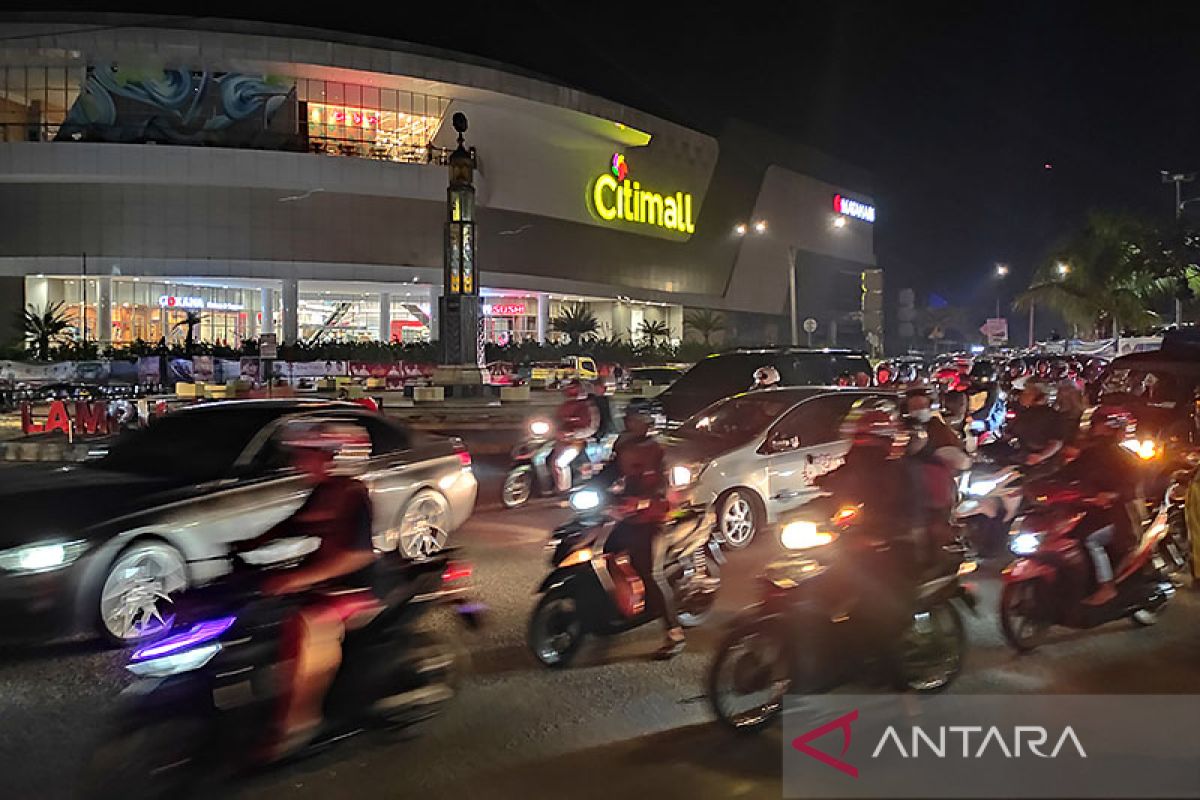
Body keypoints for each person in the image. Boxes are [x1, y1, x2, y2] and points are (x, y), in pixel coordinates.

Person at [238, 420, 380, 759]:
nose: (298, 463)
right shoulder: (323, 492)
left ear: (334, 457)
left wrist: (298, 579)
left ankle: (300, 725)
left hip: (355, 589)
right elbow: (291, 525)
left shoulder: (354, 495)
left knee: (309, 627)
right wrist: (244, 546)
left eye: (307, 455)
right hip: (321, 580)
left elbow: (358, 556)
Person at [815, 399, 918, 681]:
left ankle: (892, 670)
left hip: (893, 546)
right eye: (860, 440)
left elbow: (903, 511)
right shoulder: (859, 459)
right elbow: (844, 479)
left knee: (877, 605)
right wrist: (819, 487)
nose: (863, 447)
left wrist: (879, 533)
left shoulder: (897, 472)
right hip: (858, 540)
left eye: (869, 441)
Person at [596, 407, 684, 659]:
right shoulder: (624, 445)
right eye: (627, 417)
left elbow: (665, 489)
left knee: (650, 572)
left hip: (655, 518)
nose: (627, 422)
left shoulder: (659, 450)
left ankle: (674, 633)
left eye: (633, 419)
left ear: (645, 422)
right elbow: (610, 474)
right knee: (606, 552)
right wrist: (584, 489)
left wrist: (642, 503)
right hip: (629, 515)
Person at [1054, 405, 1142, 605]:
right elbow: (1067, 474)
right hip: (1093, 512)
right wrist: (1036, 485)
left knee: (1090, 541)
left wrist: (1112, 495)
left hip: (1120, 517)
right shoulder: (1091, 453)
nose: (1094, 427)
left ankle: (1106, 587)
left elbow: (1132, 486)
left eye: (1099, 424)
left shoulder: (1125, 457)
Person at [903, 387, 970, 566]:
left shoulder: (937, 428)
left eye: (921, 405)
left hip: (935, 488)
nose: (917, 409)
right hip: (906, 487)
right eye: (914, 405)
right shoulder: (902, 428)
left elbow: (958, 456)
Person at [551, 380, 599, 492]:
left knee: (559, 463)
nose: (570, 390)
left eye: (573, 387)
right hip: (560, 440)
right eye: (568, 387)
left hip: (577, 442)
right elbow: (555, 419)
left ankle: (563, 489)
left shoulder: (588, 406)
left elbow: (591, 427)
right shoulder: (565, 405)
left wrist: (573, 433)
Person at [1006, 382, 1065, 465]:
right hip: (1014, 453)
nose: (1022, 395)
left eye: (1027, 393)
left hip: (1033, 461)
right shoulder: (1024, 412)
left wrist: (1041, 456)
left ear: (1039, 397)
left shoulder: (1051, 415)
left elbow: (1056, 442)